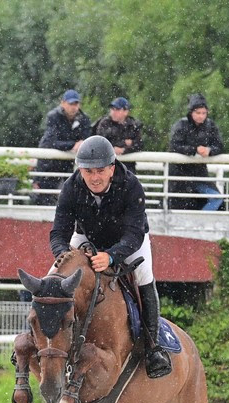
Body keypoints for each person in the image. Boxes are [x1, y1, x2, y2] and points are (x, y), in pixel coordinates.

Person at [48, 135, 171, 379]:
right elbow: (58, 233)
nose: (94, 177)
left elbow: (134, 234)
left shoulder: (131, 185)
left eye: (101, 171)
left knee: (144, 276)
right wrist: (66, 257)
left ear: (112, 168)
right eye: (88, 171)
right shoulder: (71, 187)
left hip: (127, 241)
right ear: (80, 169)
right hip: (86, 238)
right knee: (52, 277)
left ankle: (152, 348)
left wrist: (112, 257)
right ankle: (37, 338)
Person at [32, 89, 91, 204]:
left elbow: (86, 140)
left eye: (76, 104)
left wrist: (79, 144)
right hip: (49, 164)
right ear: (63, 103)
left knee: (69, 197)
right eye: (71, 104)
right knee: (45, 197)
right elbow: (51, 142)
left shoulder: (84, 119)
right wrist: (73, 145)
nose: (73, 107)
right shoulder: (53, 117)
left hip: (67, 164)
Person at [168, 93, 224, 211]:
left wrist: (209, 151)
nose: (201, 116)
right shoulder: (181, 125)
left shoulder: (210, 126)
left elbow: (219, 145)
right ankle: (198, 224)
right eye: (198, 113)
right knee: (181, 205)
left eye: (203, 113)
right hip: (180, 175)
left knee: (217, 198)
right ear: (191, 112)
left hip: (199, 173)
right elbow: (174, 146)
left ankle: (200, 223)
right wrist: (195, 149)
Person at [93, 97, 144, 173]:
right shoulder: (104, 123)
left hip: (128, 168)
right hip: (107, 166)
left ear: (126, 112)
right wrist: (124, 143)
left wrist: (124, 150)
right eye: (112, 109)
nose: (113, 112)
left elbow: (139, 144)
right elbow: (100, 142)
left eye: (117, 109)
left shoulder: (133, 125)